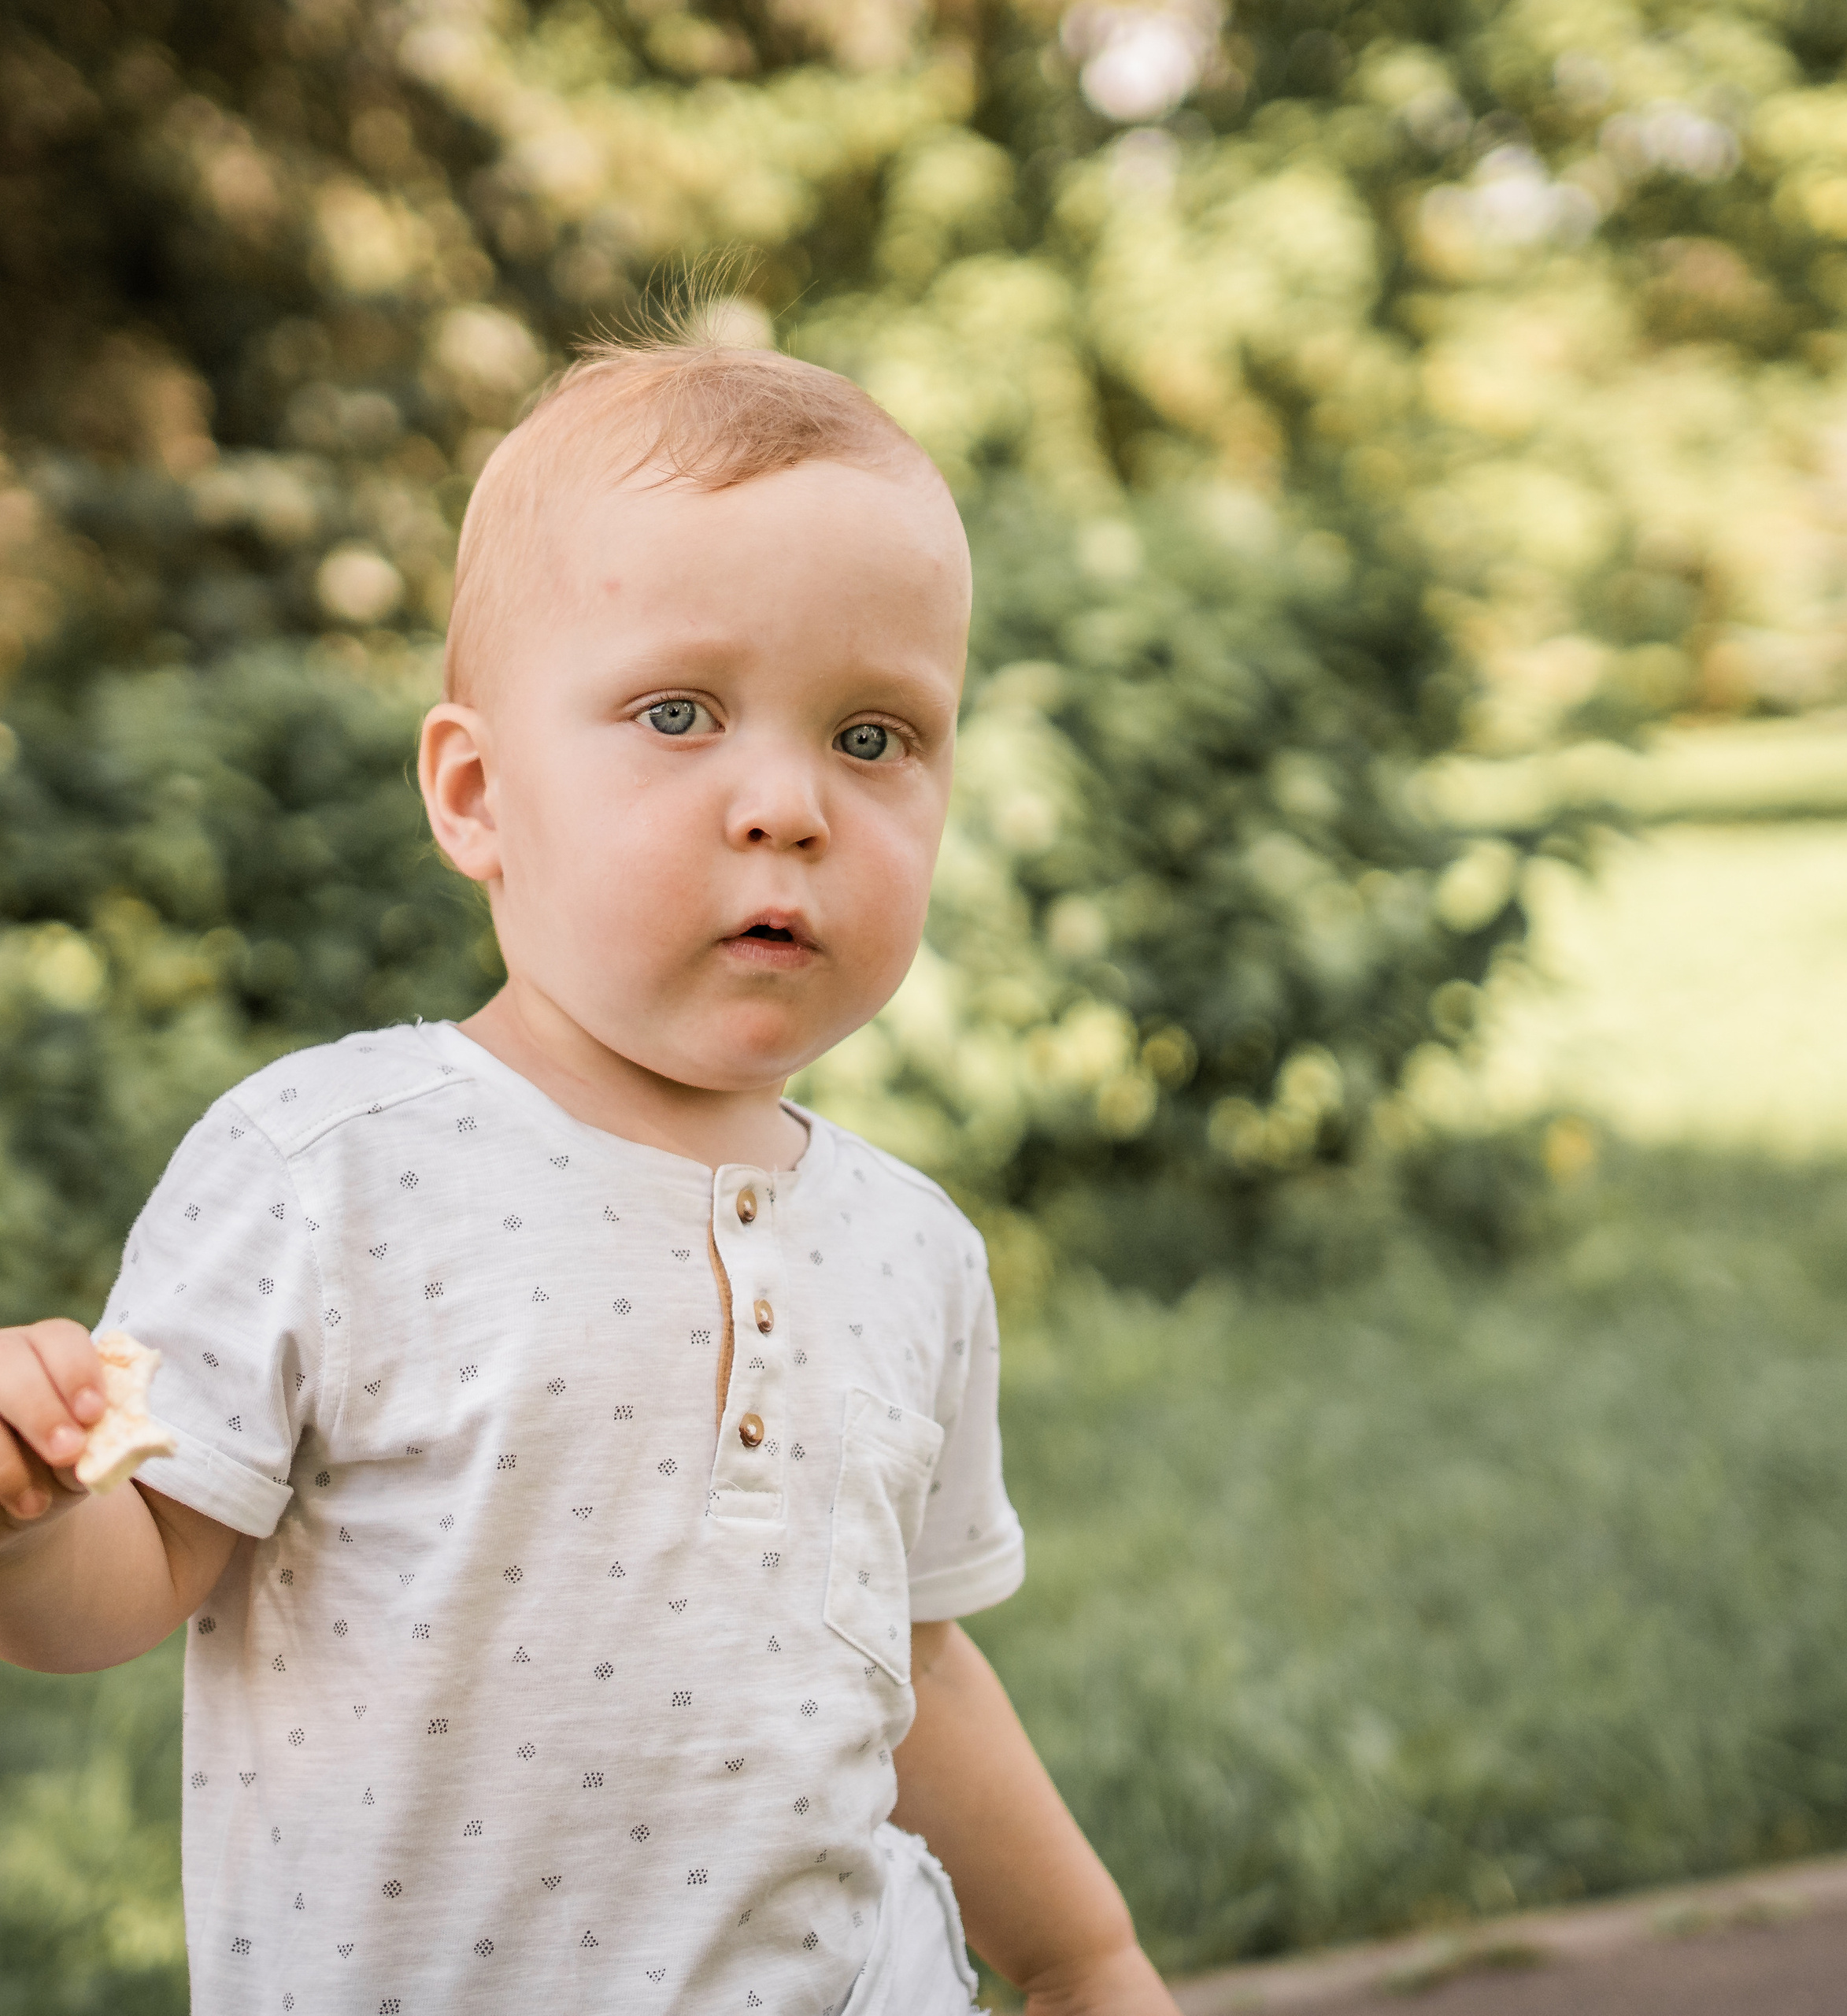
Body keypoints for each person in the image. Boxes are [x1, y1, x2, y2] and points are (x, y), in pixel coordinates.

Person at [0, 335, 1182, 2016]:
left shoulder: (911, 1250)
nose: (784, 805)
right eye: (678, 714)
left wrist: (1079, 1954)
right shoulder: (329, 1175)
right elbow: (132, 1579)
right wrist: (33, 1524)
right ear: (478, 793)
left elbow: (905, 1656)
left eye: (872, 734)